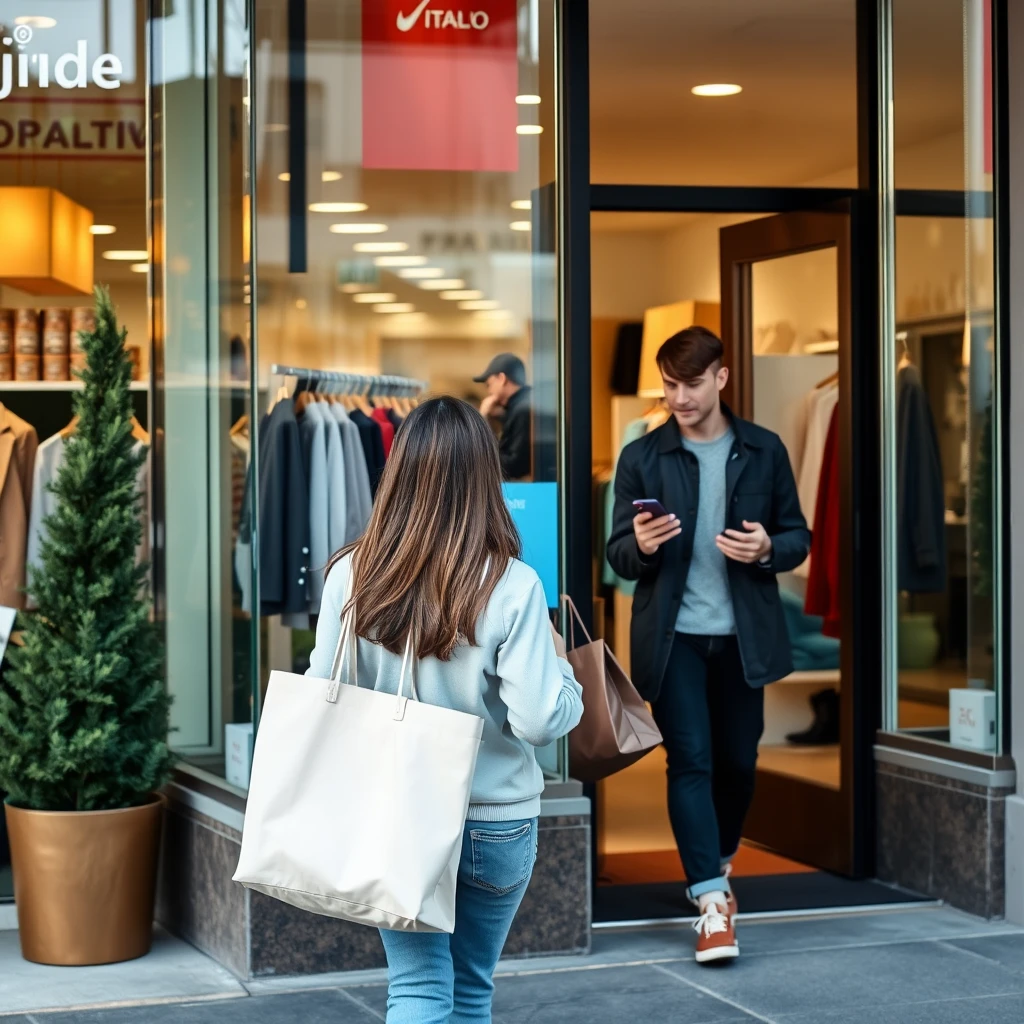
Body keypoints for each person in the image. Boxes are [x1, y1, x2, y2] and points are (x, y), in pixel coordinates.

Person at [306, 396, 583, 1023]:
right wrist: (565, 674)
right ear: (486, 478)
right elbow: (540, 720)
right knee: (470, 990)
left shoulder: (352, 577)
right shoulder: (512, 586)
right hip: (496, 820)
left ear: (398, 473)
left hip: (393, 810)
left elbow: (324, 685)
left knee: (418, 988)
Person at [606, 326, 810, 965]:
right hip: (675, 641)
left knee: (738, 763)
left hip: (744, 638)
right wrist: (637, 547)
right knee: (690, 759)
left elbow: (797, 536)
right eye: (669, 385)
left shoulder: (765, 450)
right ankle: (712, 903)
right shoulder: (643, 455)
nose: (678, 397)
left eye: (690, 384)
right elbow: (615, 555)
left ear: (721, 378)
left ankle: (716, 858)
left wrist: (768, 550)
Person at [474, 353, 532, 480]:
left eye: (489, 384)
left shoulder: (523, 409)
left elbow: (515, 465)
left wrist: (482, 418)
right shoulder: (519, 405)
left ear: (502, 379)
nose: (489, 392)